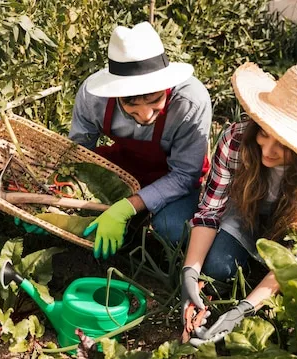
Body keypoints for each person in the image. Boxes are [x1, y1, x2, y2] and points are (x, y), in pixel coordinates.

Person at [180, 62, 297, 346]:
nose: (267, 151)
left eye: (283, 145)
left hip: (294, 227)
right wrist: (189, 272)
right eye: (263, 133)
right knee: (218, 266)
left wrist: (245, 309)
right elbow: (210, 211)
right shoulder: (236, 140)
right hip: (248, 213)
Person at [66, 21, 212, 260]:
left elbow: (185, 174)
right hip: (125, 165)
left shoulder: (191, 102)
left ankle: (139, 218)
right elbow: (79, 153)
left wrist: (128, 206)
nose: (145, 115)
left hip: (174, 176)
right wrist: (52, 196)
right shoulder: (93, 97)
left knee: (173, 229)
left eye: (154, 100)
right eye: (130, 104)